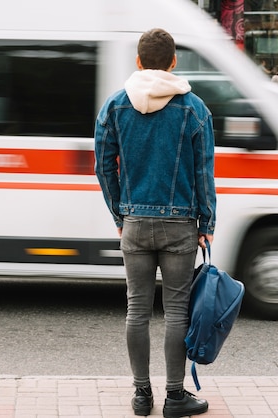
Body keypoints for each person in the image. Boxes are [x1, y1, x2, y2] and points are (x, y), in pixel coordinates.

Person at [94, 28, 215, 418]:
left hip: (134, 222)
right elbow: (203, 173)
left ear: (139, 62)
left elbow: (102, 167)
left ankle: (142, 395)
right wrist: (206, 220)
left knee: (137, 311)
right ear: (174, 61)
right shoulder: (194, 108)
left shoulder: (114, 107)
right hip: (181, 225)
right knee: (177, 311)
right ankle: (176, 397)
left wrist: (119, 213)